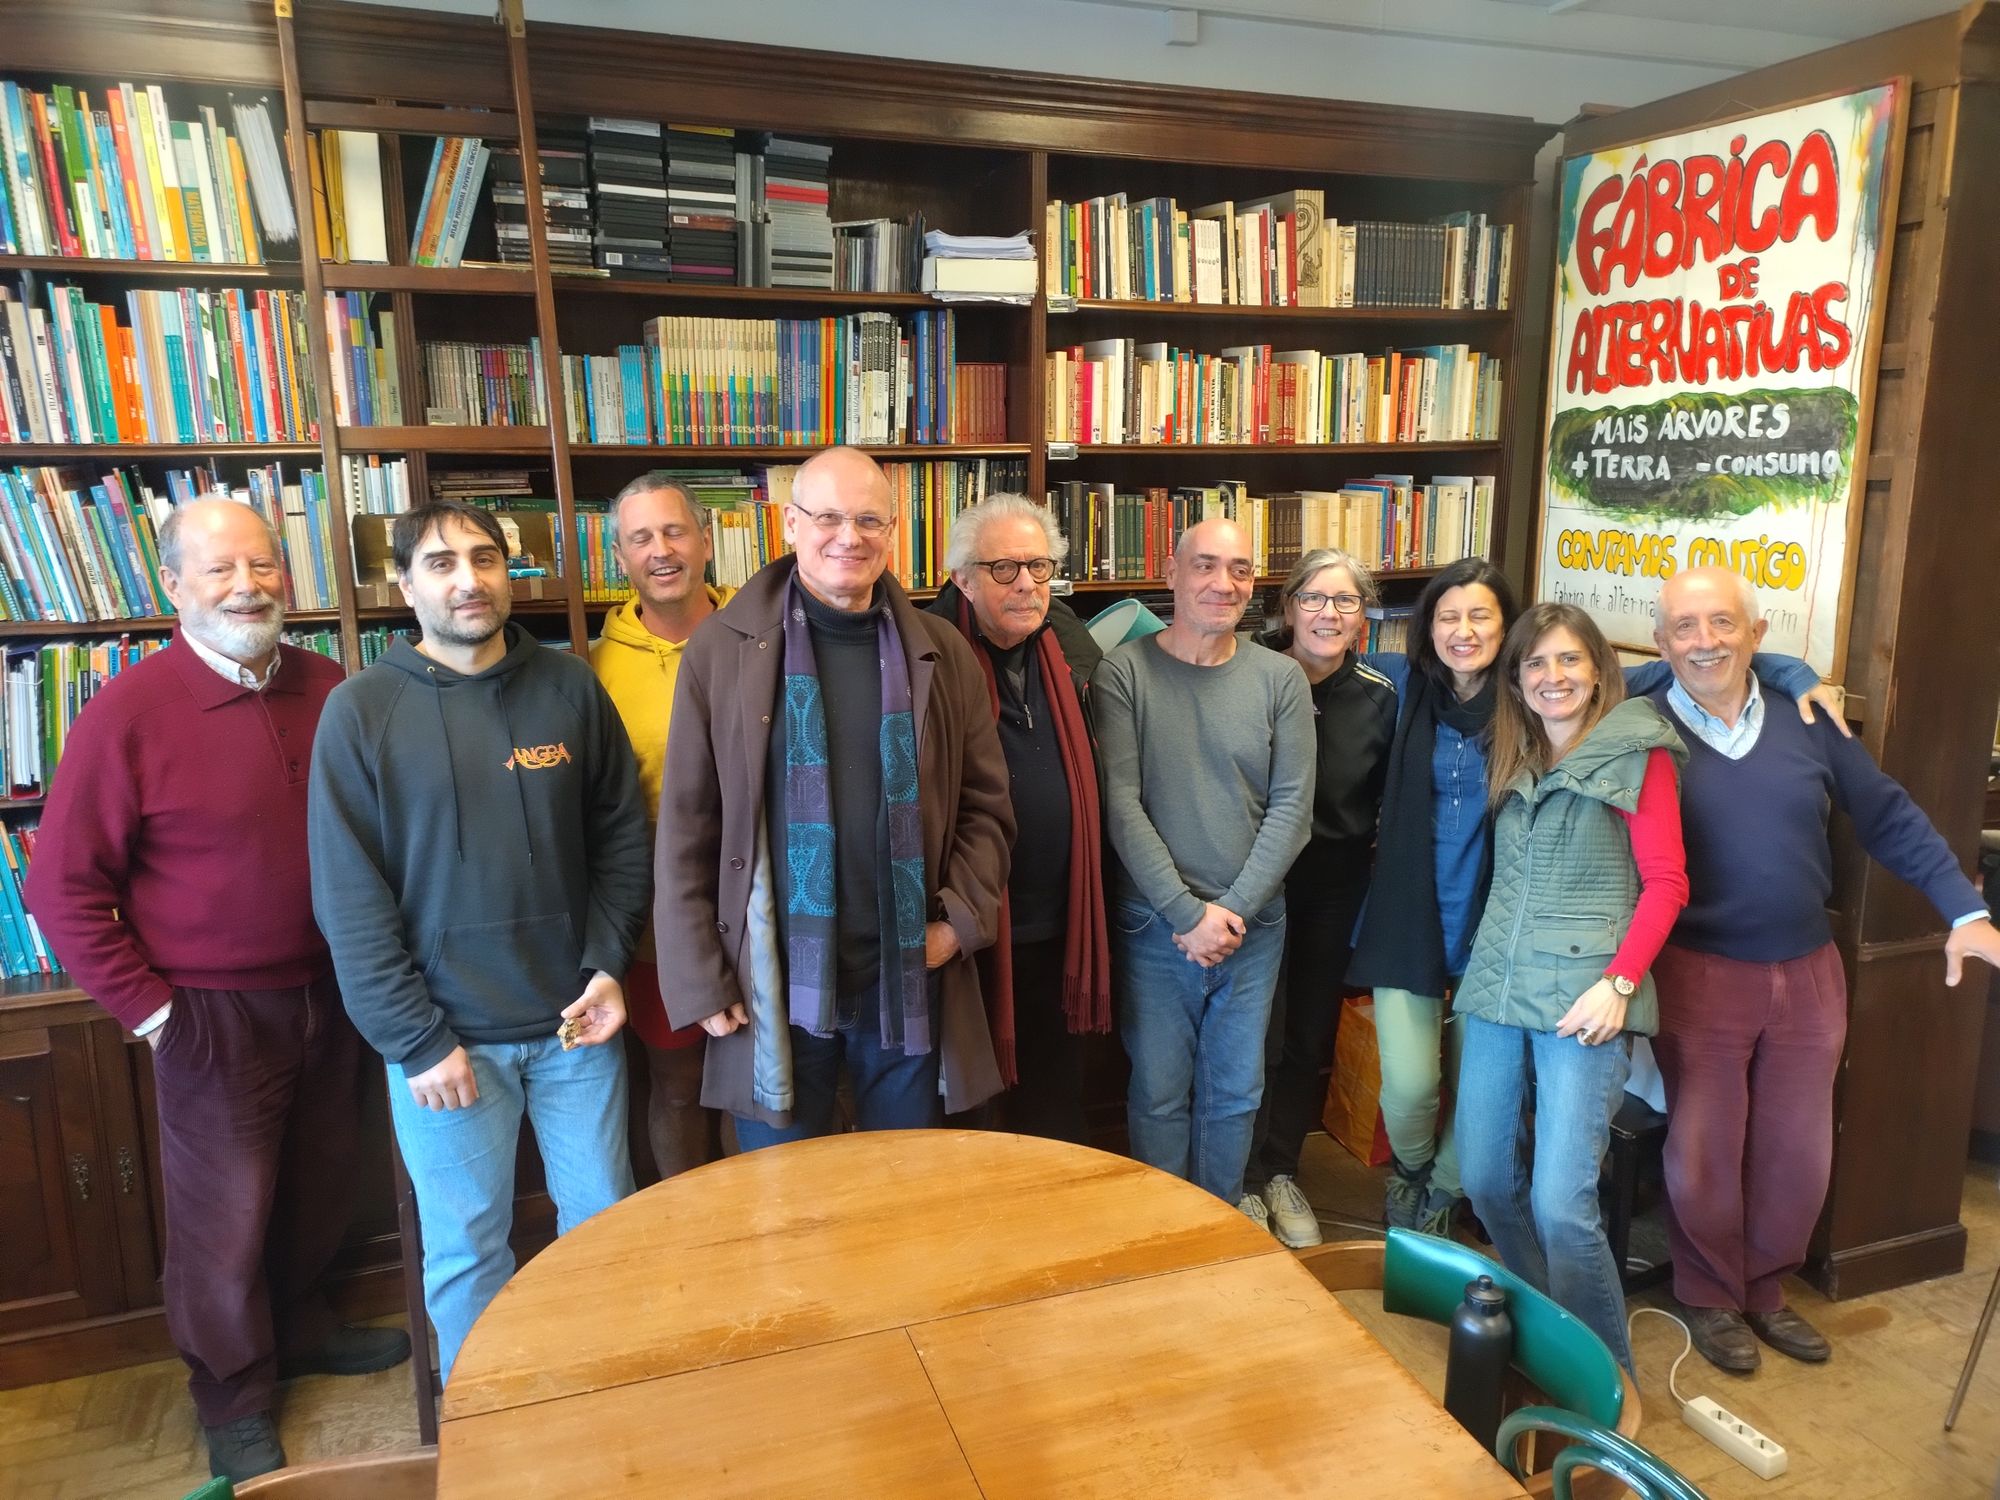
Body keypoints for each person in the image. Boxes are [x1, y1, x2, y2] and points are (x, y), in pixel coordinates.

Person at [23, 499, 407, 1482]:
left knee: (324, 1184)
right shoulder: (127, 714)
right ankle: (232, 1393)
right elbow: (60, 889)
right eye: (220, 569)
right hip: (209, 1012)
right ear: (174, 587)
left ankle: (303, 1328)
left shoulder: (332, 688)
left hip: (336, 991)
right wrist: (155, 1014)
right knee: (224, 1218)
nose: (247, 586)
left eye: (263, 565)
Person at [1347, 558, 1837, 1237]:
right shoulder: (1405, 685)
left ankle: (1445, 1195)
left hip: (1502, 927)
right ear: (1426, 628)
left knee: (1481, 1097)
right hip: (1411, 917)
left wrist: (1795, 673)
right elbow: (1324, 657)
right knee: (1410, 1087)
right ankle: (1414, 1173)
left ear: (1509, 629)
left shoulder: (1540, 696)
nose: (1464, 631)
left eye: (1481, 615)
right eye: (1448, 617)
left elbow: (1692, 661)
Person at [308, 500, 651, 1384]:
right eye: (441, 563)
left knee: (606, 1229)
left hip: (577, 1030)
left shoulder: (571, 687)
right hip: (445, 1046)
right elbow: (349, 897)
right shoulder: (359, 711)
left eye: (485, 558)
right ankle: (485, 1425)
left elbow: (621, 838)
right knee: (467, 1250)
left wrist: (609, 964)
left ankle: (604, 1408)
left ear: (510, 570)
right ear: (404, 585)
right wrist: (415, 1040)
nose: (469, 579)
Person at [1641, 566, 2000, 1372]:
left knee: (1797, 1151)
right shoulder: (1640, 720)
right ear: (1661, 644)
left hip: (1807, 971)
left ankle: (1766, 1289)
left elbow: (1889, 816)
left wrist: (1965, 911)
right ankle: (1709, 1294)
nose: (1705, 641)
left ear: (1757, 633)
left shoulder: (1806, 718)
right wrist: (1789, 665)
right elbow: (1579, 675)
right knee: (1702, 1148)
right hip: (1698, 971)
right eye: (1685, 627)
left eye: (1724, 623)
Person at [654, 446, 1015, 1144]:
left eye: (868, 520)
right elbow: (687, 829)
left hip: (906, 979)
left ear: (893, 530)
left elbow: (987, 810)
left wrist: (957, 925)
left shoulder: (942, 651)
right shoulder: (721, 651)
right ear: (790, 524)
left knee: (904, 1184)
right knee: (785, 1193)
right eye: (827, 517)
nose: (849, 536)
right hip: (771, 982)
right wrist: (699, 977)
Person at [1452, 602, 1689, 1374]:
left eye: (1568, 660)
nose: (1552, 677)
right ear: (1516, 680)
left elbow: (1667, 883)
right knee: (1485, 1180)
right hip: (1499, 987)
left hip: (1587, 998)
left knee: (1561, 1203)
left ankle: (1605, 1382)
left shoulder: (1638, 751)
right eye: (1535, 663)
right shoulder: (1517, 754)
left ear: (1597, 669)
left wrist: (1619, 983)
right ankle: (1550, 1335)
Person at [1095, 518, 1315, 1210]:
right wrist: (1188, 915)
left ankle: (1219, 1227)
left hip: (1254, 929)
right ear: (1171, 573)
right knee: (1159, 1094)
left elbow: (1293, 809)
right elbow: (1121, 806)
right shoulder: (1123, 673)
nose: (1224, 583)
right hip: (1154, 925)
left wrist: (1230, 914)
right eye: (1206, 565)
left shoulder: (1281, 678)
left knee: (1236, 1094)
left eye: (1241, 570)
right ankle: (1165, 1233)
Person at [929, 494, 1110, 1141]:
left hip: (1062, 923)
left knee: (1055, 1111)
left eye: (1039, 566)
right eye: (1004, 568)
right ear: (962, 578)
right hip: (966, 932)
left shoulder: (1067, 643)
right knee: (966, 1118)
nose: (1027, 583)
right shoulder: (930, 654)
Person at [1243, 548, 1398, 1247]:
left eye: (1345, 601)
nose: (1328, 614)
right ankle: (1240, 1175)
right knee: (1253, 1034)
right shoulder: (1250, 675)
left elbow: (1385, 801)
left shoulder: (1379, 696)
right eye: (1313, 598)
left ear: (1363, 616)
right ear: (1288, 607)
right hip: (1251, 883)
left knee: (1306, 1035)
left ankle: (1281, 1170)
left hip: (1331, 888)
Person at [591, 473, 734, 1177]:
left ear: (705, 539)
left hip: (763, 913)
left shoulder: (763, 636)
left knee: (765, 1085)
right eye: (641, 538)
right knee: (677, 1087)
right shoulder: (593, 670)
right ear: (620, 556)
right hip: (656, 925)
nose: (661, 551)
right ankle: (690, 1231)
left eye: (675, 531)